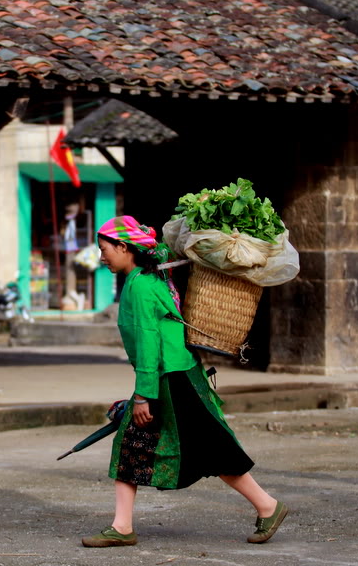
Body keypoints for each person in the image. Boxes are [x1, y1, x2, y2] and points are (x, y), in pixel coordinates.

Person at [81, 216, 287, 548]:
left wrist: (143, 396)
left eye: (105, 249)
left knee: (212, 447)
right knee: (132, 444)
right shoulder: (147, 279)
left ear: (123, 247)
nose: (102, 257)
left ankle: (267, 504)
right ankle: (121, 526)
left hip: (173, 379)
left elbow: (150, 342)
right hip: (172, 375)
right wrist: (141, 393)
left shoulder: (141, 286)